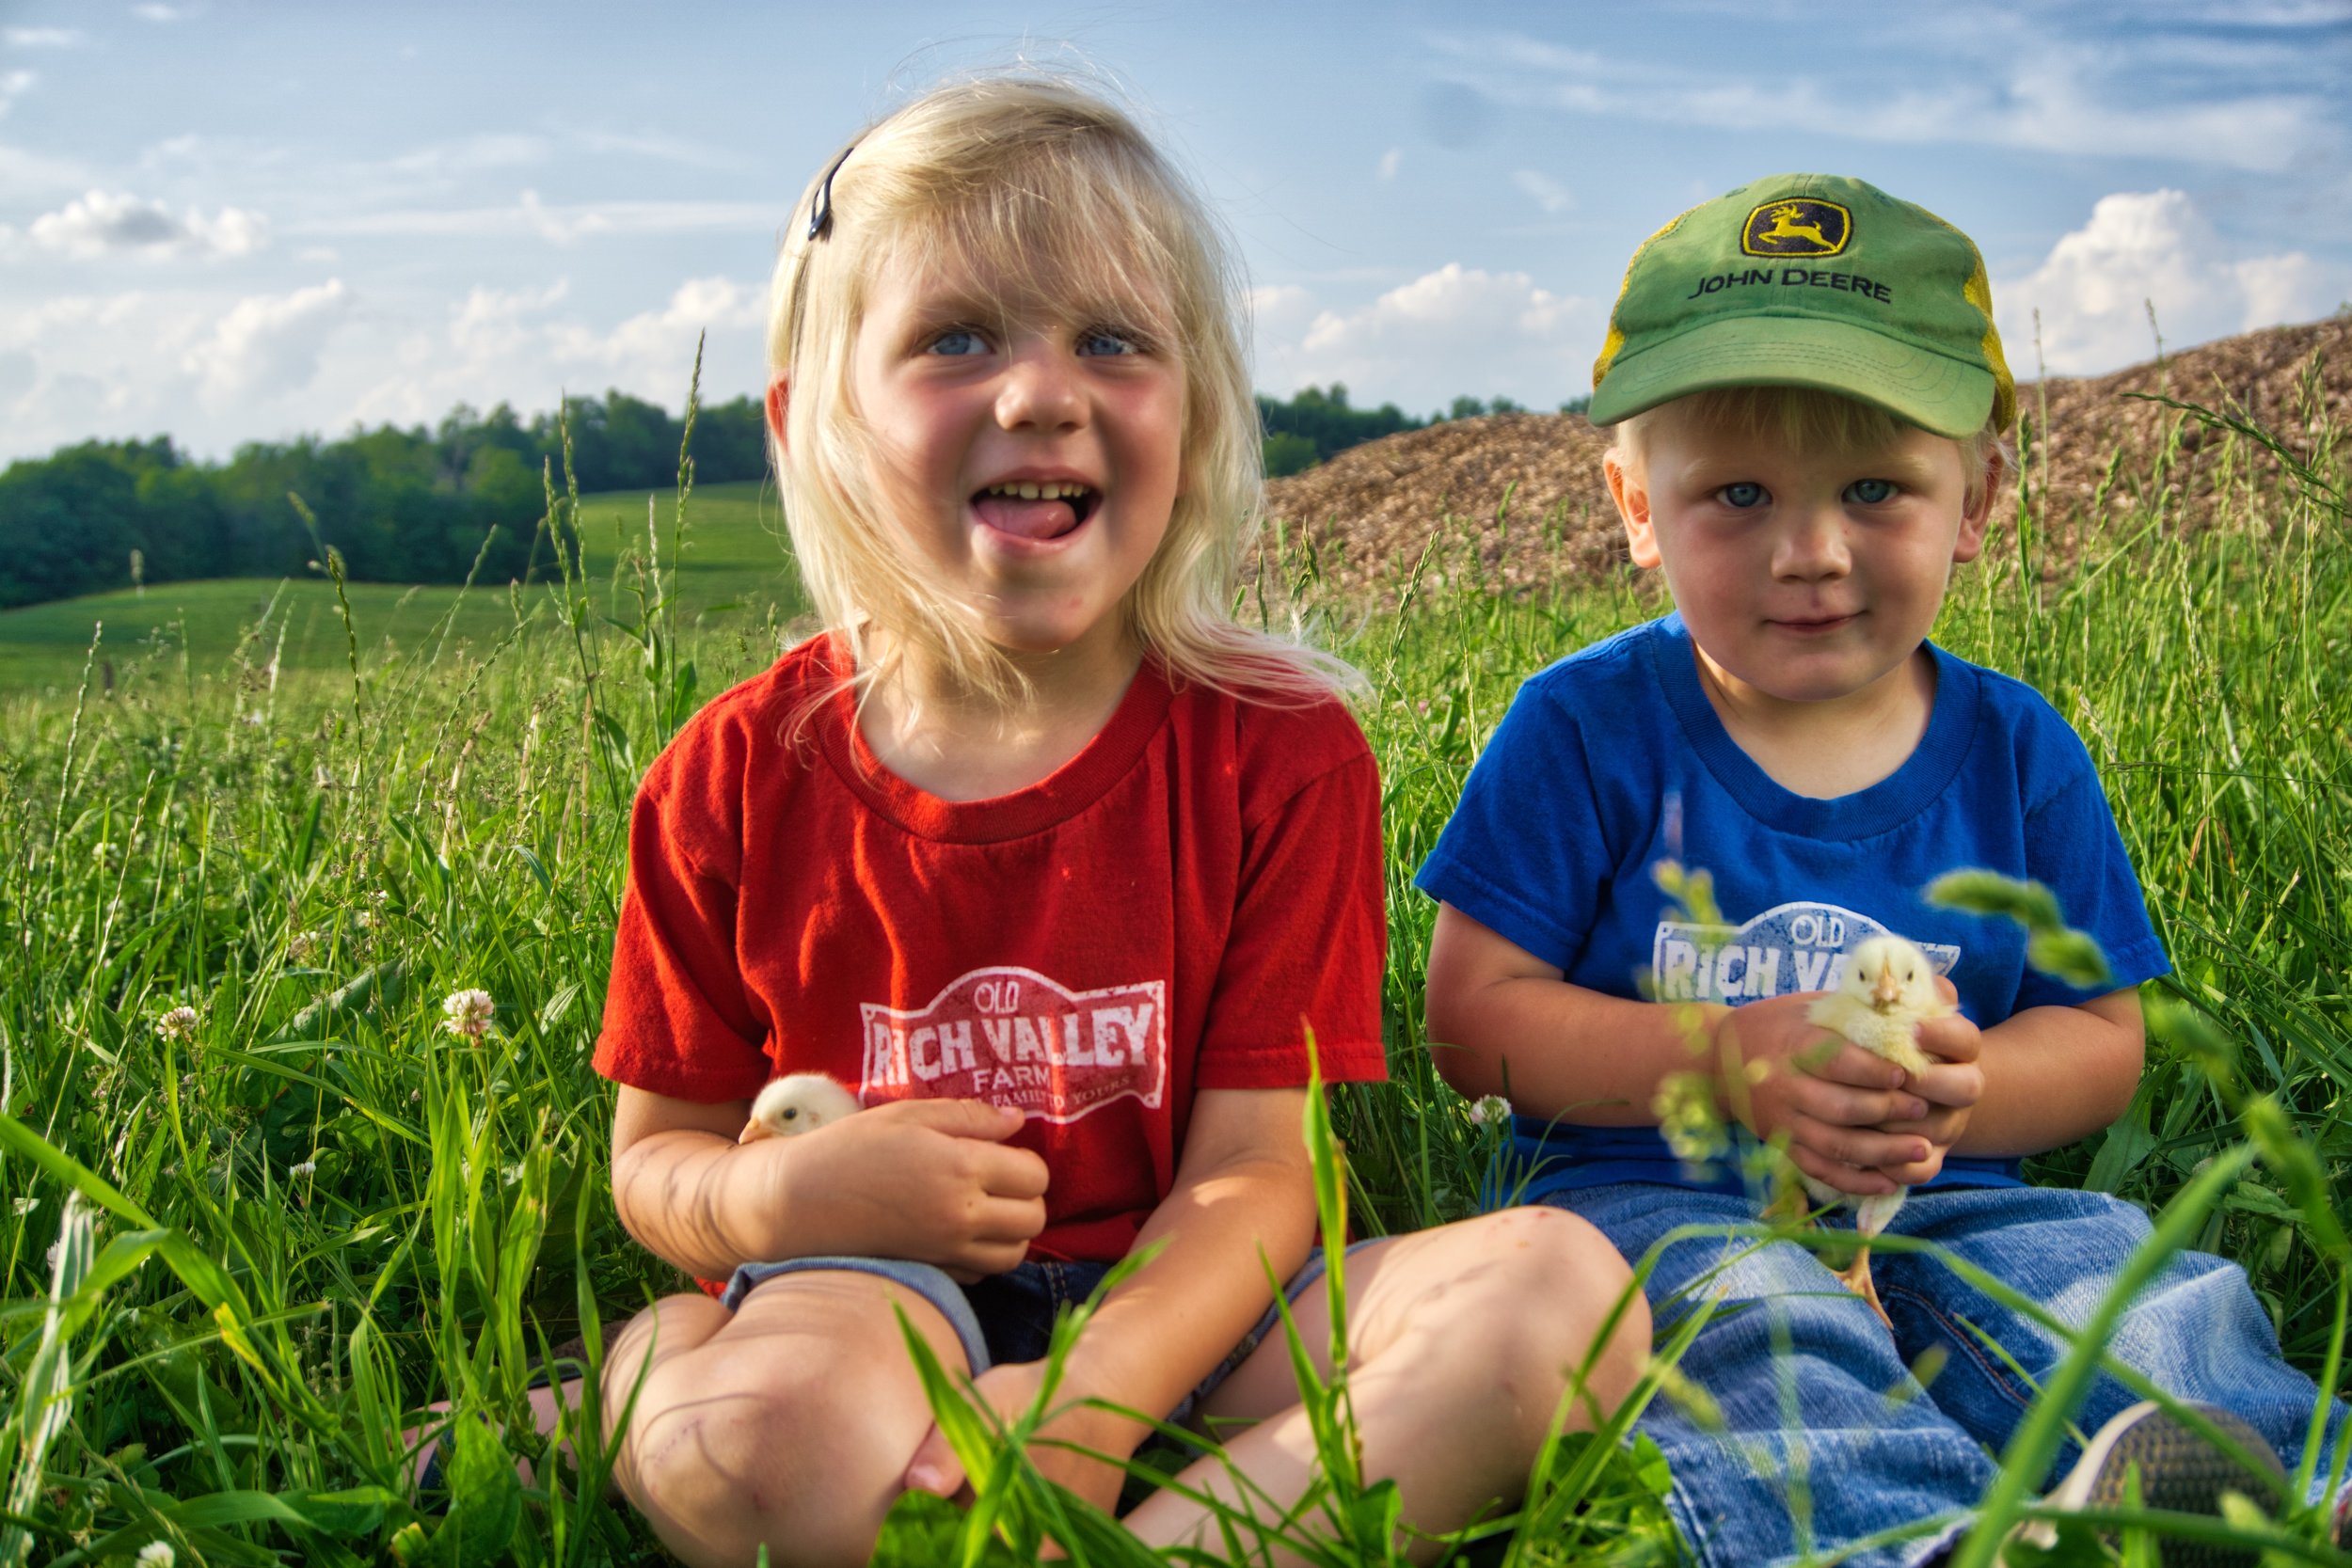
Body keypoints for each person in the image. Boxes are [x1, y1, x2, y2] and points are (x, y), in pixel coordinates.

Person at [587, 75, 1649, 1568]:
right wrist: (781, 1194)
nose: (1040, 391)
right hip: (872, 1300)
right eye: (957, 339)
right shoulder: (734, 775)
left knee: (1563, 1297)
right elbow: (660, 1165)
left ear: (1196, 414)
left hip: (1206, 1313)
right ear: (813, 425)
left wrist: (1089, 1405)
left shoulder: (1281, 753)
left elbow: (1259, 1174)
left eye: (1112, 340)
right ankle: (648, 1377)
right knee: (761, 1442)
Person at [1416, 172, 2349, 1568]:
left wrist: (1963, 1095)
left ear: (1974, 500)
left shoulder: (2014, 749)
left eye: (1875, 489)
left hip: (1955, 1182)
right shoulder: (1589, 729)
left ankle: (2276, 1492)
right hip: (1647, 1193)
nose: (1812, 552)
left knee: (2115, 1287)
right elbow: (1473, 1022)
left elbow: (2105, 1038)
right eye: (1737, 493)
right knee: (1755, 1336)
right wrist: (1726, 1060)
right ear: (1636, 505)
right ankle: (1910, 1542)